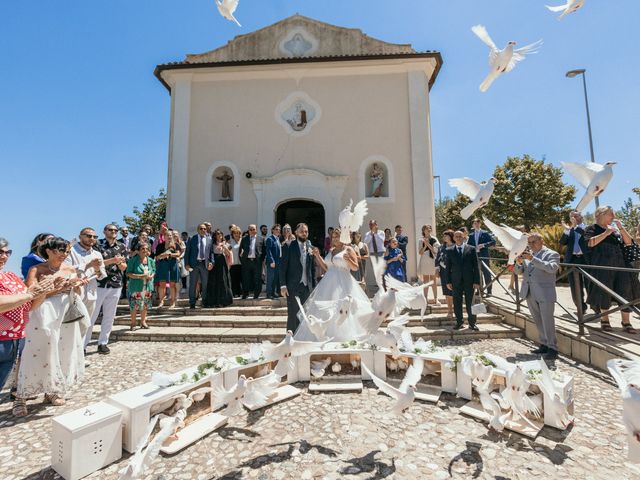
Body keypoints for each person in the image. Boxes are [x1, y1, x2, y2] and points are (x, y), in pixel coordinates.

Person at [16, 237, 90, 416]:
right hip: (44, 313)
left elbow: (76, 292)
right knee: (37, 351)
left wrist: (77, 285)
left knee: (63, 350)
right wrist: (55, 288)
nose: (64, 254)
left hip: (66, 312)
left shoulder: (70, 269)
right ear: (48, 251)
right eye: (60, 250)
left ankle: (53, 390)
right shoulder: (37, 269)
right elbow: (31, 295)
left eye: (66, 251)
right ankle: (21, 396)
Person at [294, 227, 374, 341]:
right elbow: (327, 268)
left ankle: (342, 338)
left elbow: (355, 267)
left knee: (343, 310)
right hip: (328, 283)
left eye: (337, 236)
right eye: (333, 237)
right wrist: (317, 256)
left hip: (343, 283)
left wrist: (349, 260)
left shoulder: (348, 249)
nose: (335, 239)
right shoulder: (332, 250)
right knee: (325, 311)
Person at [0, 239, 56, 396]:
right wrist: (29, 294)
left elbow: (29, 305)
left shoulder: (10, 276)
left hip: (15, 340)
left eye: (7, 252)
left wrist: (43, 290)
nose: (4, 256)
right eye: (0, 252)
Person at [584, 206, 639, 334]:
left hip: (621, 265)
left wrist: (620, 228)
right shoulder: (591, 229)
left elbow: (629, 243)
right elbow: (590, 243)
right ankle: (605, 321)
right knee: (604, 292)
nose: (613, 217)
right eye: (611, 214)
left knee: (626, 291)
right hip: (602, 265)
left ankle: (626, 322)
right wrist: (606, 233)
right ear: (601, 214)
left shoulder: (615, 231)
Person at [515, 233, 561, 359]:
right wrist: (518, 263)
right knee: (538, 320)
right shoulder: (529, 254)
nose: (530, 245)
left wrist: (532, 259)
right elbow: (518, 272)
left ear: (542, 241)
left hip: (545, 292)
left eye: (533, 242)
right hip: (530, 291)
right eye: (529, 243)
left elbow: (552, 268)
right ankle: (544, 344)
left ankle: (553, 348)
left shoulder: (552, 254)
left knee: (547, 320)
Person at [85, 224, 127, 355]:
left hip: (116, 284)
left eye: (115, 230)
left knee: (109, 316)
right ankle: (83, 344)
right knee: (92, 315)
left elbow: (124, 267)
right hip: (99, 283)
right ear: (104, 231)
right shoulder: (97, 244)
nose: (113, 232)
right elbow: (97, 262)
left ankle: (103, 343)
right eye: (110, 230)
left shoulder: (121, 246)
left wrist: (120, 263)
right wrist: (113, 260)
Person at [280, 224, 318, 332]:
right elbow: (282, 268)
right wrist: (283, 285)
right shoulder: (288, 246)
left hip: (307, 287)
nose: (304, 233)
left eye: (306, 231)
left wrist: (313, 286)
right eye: (302, 231)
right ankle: (291, 338)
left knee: (305, 314)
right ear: (296, 232)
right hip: (293, 286)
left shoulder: (310, 248)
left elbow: (312, 269)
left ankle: (303, 336)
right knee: (293, 313)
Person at [65, 227, 106, 319]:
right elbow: (66, 270)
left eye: (95, 237)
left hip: (91, 294)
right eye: (88, 236)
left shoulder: (97, 254)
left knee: (86, 325)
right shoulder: (70, 251)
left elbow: (101, 276)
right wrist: (88, 265)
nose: (92, 238)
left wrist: (96, 269)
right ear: (80, 237)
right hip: (74, 293)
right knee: (71, 326)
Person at [445, 231, 480, 331]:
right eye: (457, 236)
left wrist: (477, 281)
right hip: (455, 281)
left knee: (470, 302)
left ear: (463, 237)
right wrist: (448, 281)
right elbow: (448, 267)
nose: (459, 238)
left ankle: (472, 323)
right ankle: (459, 322)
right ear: (454, 238)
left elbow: (476, 266)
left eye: (460, 236)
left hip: (470, 280)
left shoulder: (471, 249)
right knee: (457, 302)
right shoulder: (449, 250)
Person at [559, 211, 590, 314]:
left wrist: (575, 226)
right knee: (575, 285)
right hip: (572, 260)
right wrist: (567, 230)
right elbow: (562, 242)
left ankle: (596, 306)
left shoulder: (588, 227)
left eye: (576, 215)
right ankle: (581, 307)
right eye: (572, 216)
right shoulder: (570, 230)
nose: (574, 218)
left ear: (581, 216)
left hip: (586, 260)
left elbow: (586, 236)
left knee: (590, 283)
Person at [126, 242, 155, 330]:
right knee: (134, 305)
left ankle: (143, 322)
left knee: (145, 305)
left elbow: (153, 270)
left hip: (147, 286)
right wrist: (140, 276)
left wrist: (151, 276)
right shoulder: (133, 260)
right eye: (142, 249)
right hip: (136, 286)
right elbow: (128, 273)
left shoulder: (150, 260)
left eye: (147, 249)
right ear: (138, 251)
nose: (145, 250)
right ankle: (133, 323)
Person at [185, 224, 213, 309]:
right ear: (198, 230)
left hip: (204, 264)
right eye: (201, 228)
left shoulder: (209, 239)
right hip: (194, 264)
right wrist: (186, 264)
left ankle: (204, 301)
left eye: (205, 229)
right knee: (193, 284)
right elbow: (187, 252)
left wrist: (212, 262)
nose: (203, 230)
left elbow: (211, 252)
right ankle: (192, 302)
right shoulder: (192, 238)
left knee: (205, 284)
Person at [203, 230, 234, 308]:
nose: (219, 235)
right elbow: (209, 254)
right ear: (215, 235)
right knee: (213, 281)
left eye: (220, 233)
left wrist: (224, 246)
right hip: (214, 263)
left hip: (222, 262)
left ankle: (222, 301)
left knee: (223, 281)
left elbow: (228, 254)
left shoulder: (226, 244)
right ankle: (213, 302)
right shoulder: (212, 244)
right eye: (217, 234)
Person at [467, 219, 496, 295]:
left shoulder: (485, 233)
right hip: (474, 256)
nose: (476, 225)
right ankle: (480, 290)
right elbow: (468, 245)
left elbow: (493, 242)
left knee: (486, 273)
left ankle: (489, 291)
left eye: (478, 223)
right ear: (473, 225)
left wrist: (483, 245)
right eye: (475, 223)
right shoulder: (471, 235)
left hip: (484, 256)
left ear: (480, 224)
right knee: (477, 273)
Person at [154, 226, 181, 308]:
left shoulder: (175, 245)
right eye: (167, 235)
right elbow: (157, 257)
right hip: (163, 265)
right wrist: (162, 255)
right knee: (162, 284)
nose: (169, 237)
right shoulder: (160, 246)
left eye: (170, 235)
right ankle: (161, 301)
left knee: (172, 284)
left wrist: (169, 254)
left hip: (173, 264)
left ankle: (172, 302)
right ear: (164, 236)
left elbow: (178, 254)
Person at [239, 224, 265, 299]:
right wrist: (243, 261)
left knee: (257, 278)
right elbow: (241, 250)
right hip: (247, 262)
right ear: (248, 231)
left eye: (253, 229)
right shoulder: (244, 239)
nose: (252, 231)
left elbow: (263, 251)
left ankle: (256, 294)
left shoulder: (261, 239)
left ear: (256, 230)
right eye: (250, 229)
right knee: (246, 278)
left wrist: (261, 260)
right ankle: (245, 293)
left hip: (257, 262)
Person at [435, 230, 455, 319]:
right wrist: (437, 270)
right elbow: (437, 259)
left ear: (450, 236)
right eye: (443, 236)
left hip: (455, 272)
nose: (444, 237)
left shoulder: (456, 246)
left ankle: (456, 310)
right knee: (447, 292)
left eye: (445, 236)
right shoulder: (441, 247)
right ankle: (450, 311)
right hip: (444, 272)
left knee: (455, 292)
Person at [418, 225, 440, 304]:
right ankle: (425, 298)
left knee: (433, 280)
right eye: (427, 229)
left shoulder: (434, 239)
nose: (428, 230)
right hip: (424, 260)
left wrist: (428, 244)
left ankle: (435, 298)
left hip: (432, 260)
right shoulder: (421, 240)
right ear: (423, 230)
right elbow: (420, 252)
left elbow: (436, 251)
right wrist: (425, 245)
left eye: (429, 228)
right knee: (426, 280)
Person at [363, 220, 385, 295]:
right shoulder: (367, 234)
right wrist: (371, 234)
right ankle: (380, 288)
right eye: (370, 225)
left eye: (372, 225)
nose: (371, 226)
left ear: (376, 224)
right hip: (372, 253)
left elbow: (382, 240)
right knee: (376, 271)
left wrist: (375, 233)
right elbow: (365, 242)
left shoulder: (381, 232)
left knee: (381, 270)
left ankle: (383, 287)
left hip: (380, 253)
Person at [265, 224, 282, 299]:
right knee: (270, 278)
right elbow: (268, 251)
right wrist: (272, 261)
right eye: (276, 229)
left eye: (279, 230)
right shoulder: (270, 239)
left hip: (278, 262)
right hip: (272, 262)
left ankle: (273, 293)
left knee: (275, 278)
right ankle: (269, 293)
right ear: (272, 230)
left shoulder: (278, 239)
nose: (278, 231)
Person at [171, 230, 186, 305]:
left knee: (178, 278)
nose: (175, 235)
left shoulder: (181, 242)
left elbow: (183, 252)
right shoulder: (170, 243)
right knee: (172, 279)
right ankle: (172, 293)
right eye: (173, 234)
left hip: (179, 261)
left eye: (176, 234)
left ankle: (177, 293)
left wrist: (179, 257)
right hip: (171, 262)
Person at [228, 226, 243, 297]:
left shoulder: (243, 241)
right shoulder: (230, 242)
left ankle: (240, 292)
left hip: (241, 263)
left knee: (241, 279)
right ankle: (234, 293)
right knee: (233, 279)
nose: (237, 234)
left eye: (238, 233)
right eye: (235, 233)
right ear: (232, 234)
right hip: (233, 264)